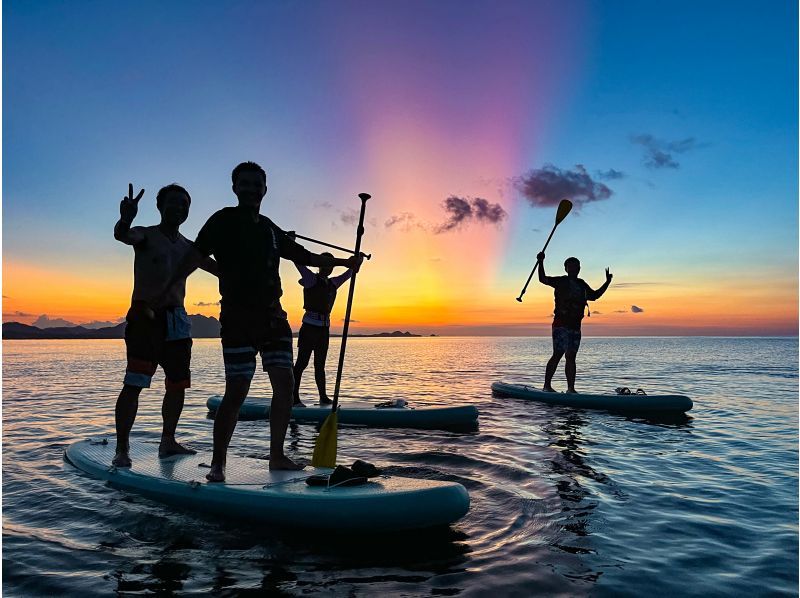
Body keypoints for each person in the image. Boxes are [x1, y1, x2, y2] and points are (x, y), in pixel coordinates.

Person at [161, 161, 361, 482]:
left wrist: (344, 262)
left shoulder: (270, 228)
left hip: (274, 318)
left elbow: (304, 255)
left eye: (257, 184)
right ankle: (218, 463)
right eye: (245, 183)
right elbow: (195, 255)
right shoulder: (222, 220)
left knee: (285, 385)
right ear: (235, 187)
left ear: (265, 190)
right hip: (239, 319)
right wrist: (203, 278)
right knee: (237, 391)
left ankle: (277, 456)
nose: (252, 189)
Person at [112, 183, 218, 467]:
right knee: (134, 383)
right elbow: (123, 235)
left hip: (178, 320)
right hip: (145, 317)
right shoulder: (146, 234)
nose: (178, 208)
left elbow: (220, 269)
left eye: (184, 204)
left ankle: (167, 441)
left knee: (177, 385)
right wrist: (126, 218)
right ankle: (122, 448)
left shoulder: (188, 247)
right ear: (160, 206)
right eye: (172, 202)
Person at [537, 252, 612, 393]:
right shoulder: (560, 281)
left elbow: (594, 296)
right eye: (570, 267)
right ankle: (547, 386)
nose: (573, 269)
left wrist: (607, 282)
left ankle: (571, 389)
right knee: (558, 354)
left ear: (579, 268)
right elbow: (542, 279)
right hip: (560, 324)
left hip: (575, 326)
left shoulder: (581, 284)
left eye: (576, 267)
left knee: (571, 356)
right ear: (565, 269)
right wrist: (541, 262)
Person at [292, 254, 355, 407]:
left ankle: (323, 397)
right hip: (309, 328)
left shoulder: (333, 283)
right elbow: (298, 262)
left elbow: (350, 272)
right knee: (301, 363)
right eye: (325, 266)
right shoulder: (310, 279)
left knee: (320, 365)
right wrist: (292, 243)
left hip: (324, 330)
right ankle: (294, 398)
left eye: (330, 266)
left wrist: (356, 260)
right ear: (320, 266)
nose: (327, 269)